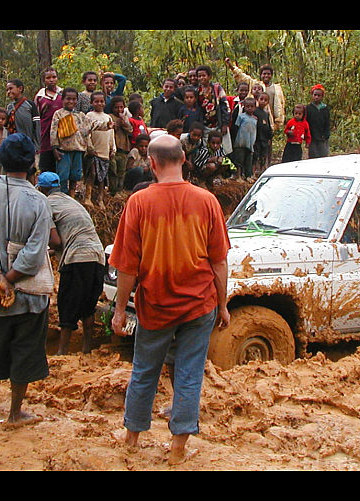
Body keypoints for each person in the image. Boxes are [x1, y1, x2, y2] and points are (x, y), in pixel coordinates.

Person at [109, 133, 230, 466]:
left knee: (145, 371)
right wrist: (223, 305)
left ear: (152, 164)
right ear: (184, 161)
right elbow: (218, 261)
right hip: (199, 304)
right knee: (190, 373)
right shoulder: (207, 201)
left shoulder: (139, 203)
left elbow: (127, 266)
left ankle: (132, 438)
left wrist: (120, 311)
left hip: (156, 304)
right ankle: (178, 446)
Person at [0, 133, 53, 429]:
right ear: (32, 164)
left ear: (1, 161)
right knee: (25, 350)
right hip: (28, 295)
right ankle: (15, 413)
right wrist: (10, 279)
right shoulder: (38, 200)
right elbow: (33, 254)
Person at [36, 171, 105, 355]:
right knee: (88, 304)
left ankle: (62, 351)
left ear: (42, 189)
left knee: (68, 303)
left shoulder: (46, 204)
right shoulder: (71, 202)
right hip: (97, 255)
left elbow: (56, 241)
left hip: (77, 258)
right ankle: (87, 348)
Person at [50, 87, 108, 198]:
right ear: (62, 100)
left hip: (78, 150)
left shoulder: (81, 116)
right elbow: (53, 132)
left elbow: (92, 124)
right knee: (63, 175)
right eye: (68, 99)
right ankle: (61, 197)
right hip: (63, 150)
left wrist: (106, 125)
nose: (71, 101)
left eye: (73, 99)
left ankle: (71, 196)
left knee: (75, 175)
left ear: (77, 101)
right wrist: (54, 148)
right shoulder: (59, 114)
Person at [85, 91, 116, 208]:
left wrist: (113, 148)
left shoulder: (107, 117)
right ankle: (88, 197)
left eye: (102, 101)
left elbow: (111, 133)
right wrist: (89, 146)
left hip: (105, 151)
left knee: (102, 177)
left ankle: (100, 198)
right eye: (96, 101)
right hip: (93, 151)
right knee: (92, 173)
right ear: (91, 103)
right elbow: (86, 133)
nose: (99, 103)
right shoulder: (89, 116)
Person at [195, 65, 231, 153]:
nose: (201, 78)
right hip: (205, 125)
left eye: (204, 75)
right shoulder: (197, 91)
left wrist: (225, 124)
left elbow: (225, 105)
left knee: (223, 150)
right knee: (206, 149)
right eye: (199, 76)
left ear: (209, 76)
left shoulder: (216, 88)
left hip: (218, 124)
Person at [34, 68, 63, 174]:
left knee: (60, 166)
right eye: (48, 78)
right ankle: (44, 189)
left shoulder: (62, 94)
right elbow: (37, 116)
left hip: (61, 136)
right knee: (45, 167)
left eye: (54, 77)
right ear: (44, 80)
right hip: (45, 134)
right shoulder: (40, 97)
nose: (51, 80)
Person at [4, 79, 40, 154]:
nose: (8, 92)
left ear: (20, 88)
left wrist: (37, 145)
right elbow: (7, 127)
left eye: (11, 88)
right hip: (13, 145)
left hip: (28, 144)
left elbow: (37, 126)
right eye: (7, 90)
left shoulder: (30, 105)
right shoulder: (9, 107)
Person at [108, 96, 132, 196]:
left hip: (123, 149)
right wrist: (118, 123)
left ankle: (119, 190)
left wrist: (124, 123)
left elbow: (130, 130)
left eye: (121, 107)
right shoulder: (109, 117)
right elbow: (111, 129)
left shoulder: (125, 118)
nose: (119, 110)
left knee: (122, 171)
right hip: (114, 149)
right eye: (116, 107)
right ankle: (112, 190)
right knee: (113, 170)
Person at [230, 97, 258, 180]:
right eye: (247, 106)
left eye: (252, 106)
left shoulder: (255, 119)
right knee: (239, 160)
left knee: (248, 160)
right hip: (240, 142)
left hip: (250, 142)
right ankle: (238, 175)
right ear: (244, 107)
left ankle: (248, 176)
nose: (249, 108)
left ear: (255, 107)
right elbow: (236, 128)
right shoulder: (241, 117)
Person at [305, 84, 331, 159]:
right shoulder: (308, 108)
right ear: (312, 95)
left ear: (322, 97)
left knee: (323, 155)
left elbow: (327, 123)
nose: (316, 97)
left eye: (319, 95)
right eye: (315, 95)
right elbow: (306, 123)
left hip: (323, 137)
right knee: (313, 156)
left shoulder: (325, 109)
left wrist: (326, 134)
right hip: (312, 137)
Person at [253, 92, 273, 176]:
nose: (263, 101)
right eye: (261, 99)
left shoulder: (266, 114)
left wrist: (270, 137)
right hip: (256, 138)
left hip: (264, 139)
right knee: (255, 155)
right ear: (257, 100)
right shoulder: (254, 111)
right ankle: (253, 172)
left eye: (265, 100)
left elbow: (268, 127)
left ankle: (262, 171)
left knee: (263, 155)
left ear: (268, 102)